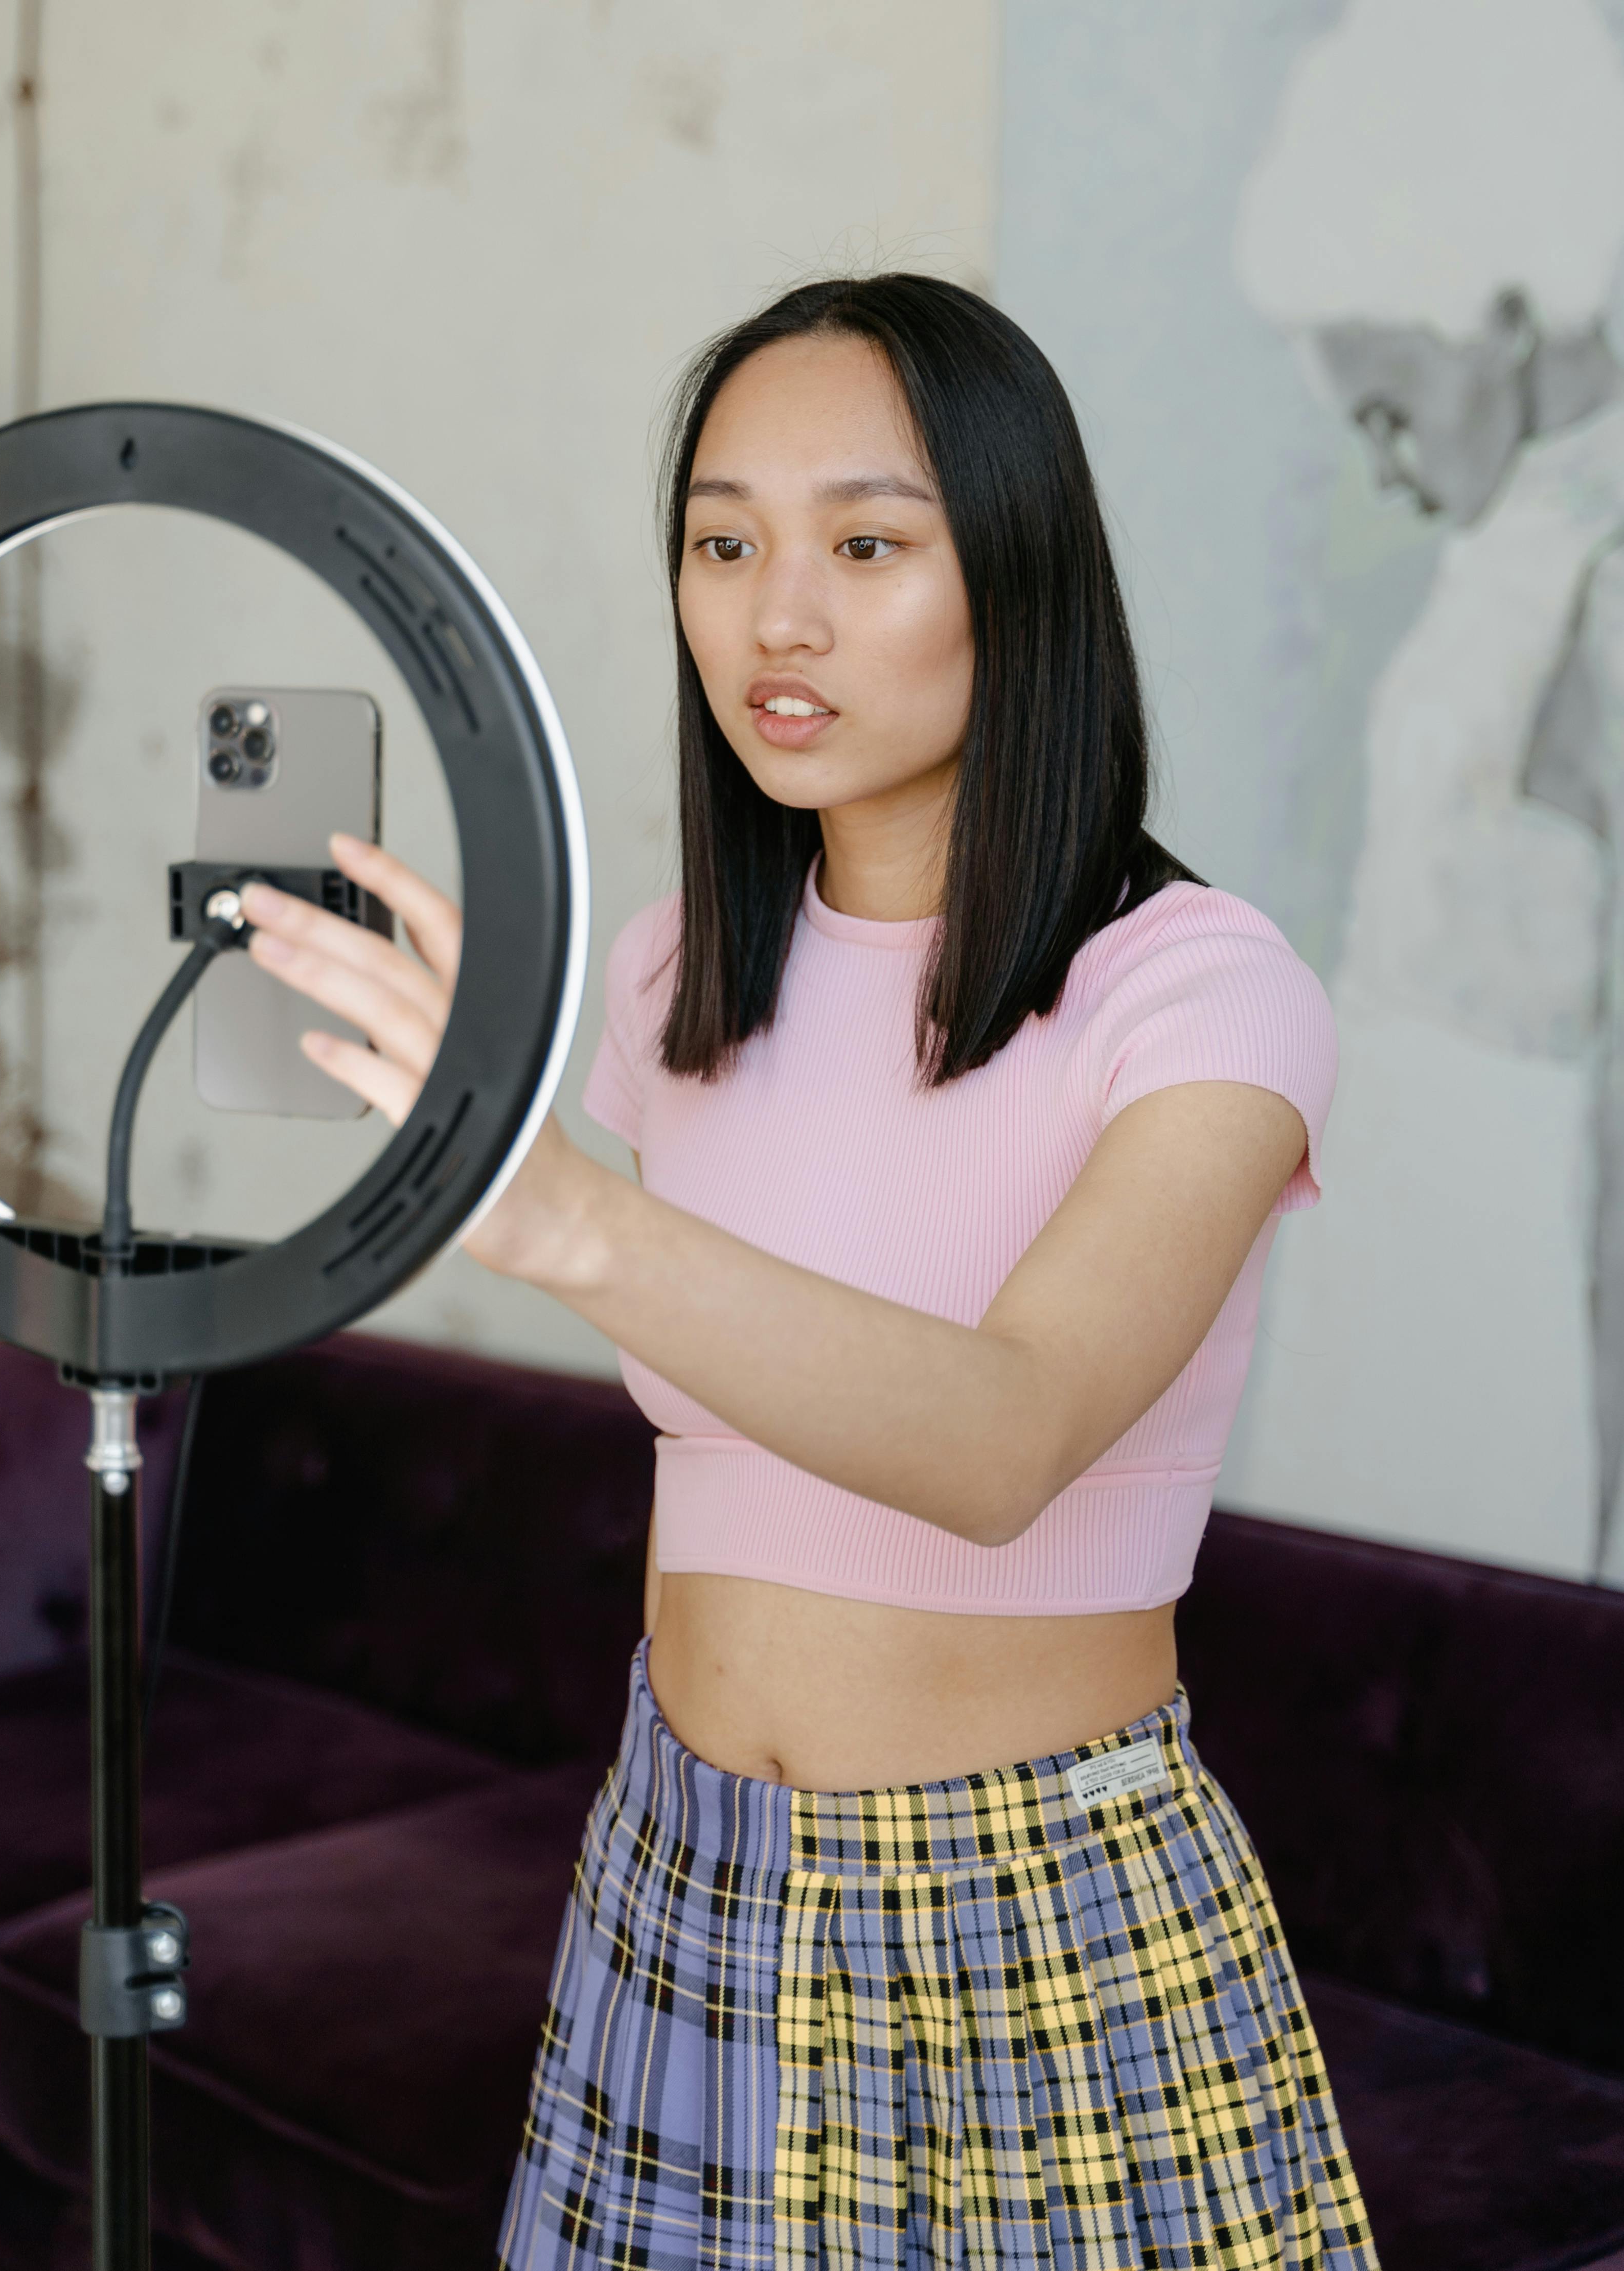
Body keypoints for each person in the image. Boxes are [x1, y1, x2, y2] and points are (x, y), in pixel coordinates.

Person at [242, 275, 1375, 2269]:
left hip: (1031, 1903)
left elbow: (1003, 1438)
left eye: (865, 544)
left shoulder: (1200, 996)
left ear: (1013, 577)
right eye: (722, 541)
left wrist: (560, 1206)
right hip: (678, 1868)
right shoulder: (685, 971)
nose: (777, 615)